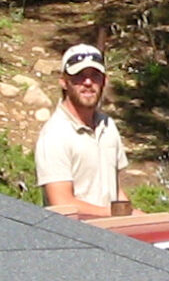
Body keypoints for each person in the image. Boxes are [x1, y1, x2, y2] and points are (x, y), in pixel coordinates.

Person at [35, 44, 136, 216]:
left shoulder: (108, 126)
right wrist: (116, 215)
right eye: (79, 76)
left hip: (113, 235)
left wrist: (133, 215)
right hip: (75, 239)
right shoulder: (54, 135)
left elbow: (115, 190)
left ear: (104, 81)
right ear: (64, 82)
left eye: (94, 76)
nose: (88, 83)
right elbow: (62, 204)